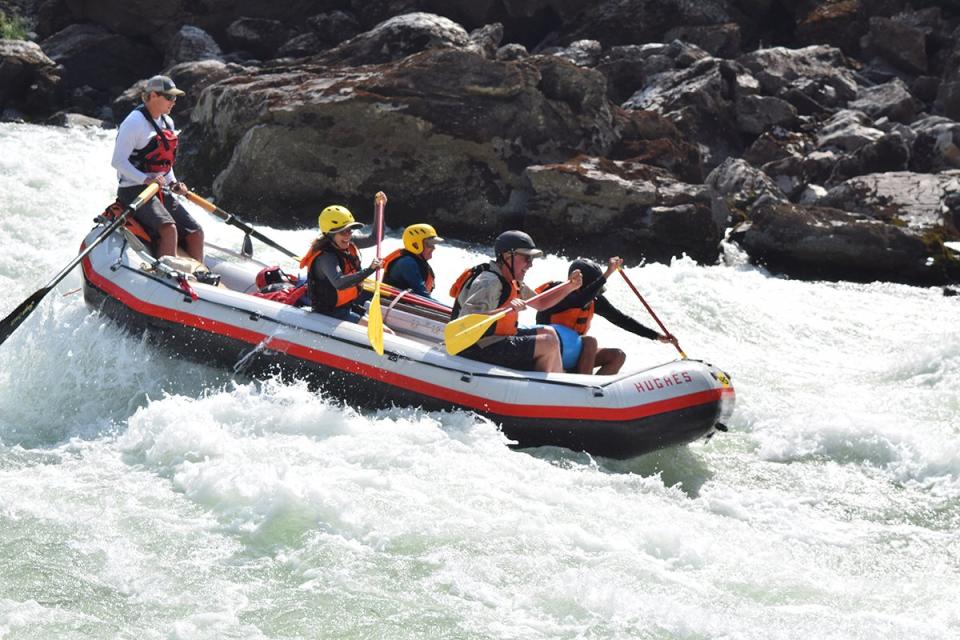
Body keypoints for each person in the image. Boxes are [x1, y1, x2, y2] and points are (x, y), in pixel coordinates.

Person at [449, 230, 582, 373]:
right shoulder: (489, 282)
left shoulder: (513, 281)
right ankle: (548, 387)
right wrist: (505, 310)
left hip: (496, 339)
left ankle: (558, 379)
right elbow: (466, 321)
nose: (530, 264)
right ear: (507, 256)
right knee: (547, 343)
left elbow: (541, 303)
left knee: (548, 332)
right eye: (526, 258)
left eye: (532, 259)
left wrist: (570, 287)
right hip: (477, 347)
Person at [111, 75, 204, 262]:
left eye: (175, 98)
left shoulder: (167, 122)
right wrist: (146, 180)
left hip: (157, 189)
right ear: (153, 96)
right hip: (133, 189)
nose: (174, 102)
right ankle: (168, 278)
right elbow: (118, 162)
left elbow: (164, 163)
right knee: (168, 229)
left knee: (195, 232)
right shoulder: (133, 123)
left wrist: (173, 183)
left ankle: (201, 280)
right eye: (169, 97)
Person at [535, 257, 677, 375]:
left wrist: (656, 336)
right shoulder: (559, 293)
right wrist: (607, 273)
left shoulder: (594, 300)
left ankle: (595, 395)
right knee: (589, 342)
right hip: (549, 351)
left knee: (617, 356)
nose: (595, 295)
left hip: (570, 353)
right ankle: (583, 389)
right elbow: (579, 300)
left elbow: (621, 320)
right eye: (594, 290)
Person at [299, 204, 383, 323]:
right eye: (343, 232)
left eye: (349, 230)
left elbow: (375, 238)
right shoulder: (326, 257)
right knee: (387, 334)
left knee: (385, 328)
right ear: (330, 234)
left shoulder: (347, 242)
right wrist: (370, 270)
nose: (348, 235)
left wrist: (379, 206)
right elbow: (339, 283)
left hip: (346, 306)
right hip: (330, 314)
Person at [381, 223, 444, 300]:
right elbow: (421, 294)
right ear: (415, 245)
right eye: (430, 244)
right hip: (392, 305)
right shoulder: (407, 263)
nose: (434, 248)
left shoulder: (416, 260)